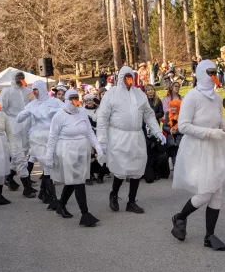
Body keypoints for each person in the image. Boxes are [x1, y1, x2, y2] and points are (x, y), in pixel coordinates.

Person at [170, 60, 225, 250]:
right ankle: (179, 218)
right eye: (210, 72)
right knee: (206, 193)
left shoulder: (216, 97)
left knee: (217, 191)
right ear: (200, 73)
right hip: (198, 149)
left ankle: (209, 236)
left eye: (215, 72)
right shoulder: (192, 97)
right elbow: (183, 126)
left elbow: (215, 119)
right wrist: (210, 133)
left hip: (215, 148)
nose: (213, 76)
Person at [97, 66, 166, 214]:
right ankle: (114, 194)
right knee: (121, 169)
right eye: (126, 77)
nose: (128, 81)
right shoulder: (112, 94)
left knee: (136, 168)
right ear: (121, 78)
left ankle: (131, 201)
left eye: (131, 77)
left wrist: (157, 131)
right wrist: (101, 140)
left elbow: (148, 114)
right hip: (118, 136)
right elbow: (102, 118)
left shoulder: (139, 95)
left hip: (136, 136)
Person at [46, 89, 102, 226]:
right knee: (78, 182)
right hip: (67, 150)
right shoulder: (59, 116)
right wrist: (49, 155)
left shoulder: (82, 113)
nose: (74, 100)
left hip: (82, 150)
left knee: (74, 180)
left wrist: (98, 147)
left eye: (76, 97)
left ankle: (61, 205)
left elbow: (89, 132)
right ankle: (85, 213)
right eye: (71, 98)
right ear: (66, 100)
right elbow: (52, 137)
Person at [16, 80, 62, 206]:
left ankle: (43, 191)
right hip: (38, 138)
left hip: (52, 137)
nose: (35, 93)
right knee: (47, 165)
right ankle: (53, 198)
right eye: (33, 90)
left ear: (42, 89)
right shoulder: (32, 105)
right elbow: (19, 118)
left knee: (51, 165)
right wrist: (26, 112)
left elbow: (65, 113)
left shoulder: (55, 102)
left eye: (36, 90)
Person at [0, 71, 37, 197]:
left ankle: (9, 177)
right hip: (13, 125)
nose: (20, 79)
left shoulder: (28, 91)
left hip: (26, 125)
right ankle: (27, 187)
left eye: (22, 77)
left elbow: (34, 104)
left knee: (24, 152)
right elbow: (2, 109)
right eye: (18, 77)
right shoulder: (7, 91)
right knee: (18, 154)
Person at [162, 99, 183, 167]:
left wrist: (176, 131)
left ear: (178, 107)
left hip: (180, 140)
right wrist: (170, 129)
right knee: (174, 157)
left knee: (181, 157)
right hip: (171, 140)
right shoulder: (168, 114)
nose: (172, 108)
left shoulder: (182, 115)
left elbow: (185, 127)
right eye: (171, 107)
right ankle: (176, 171)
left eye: (174, 107)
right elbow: (164, 127)